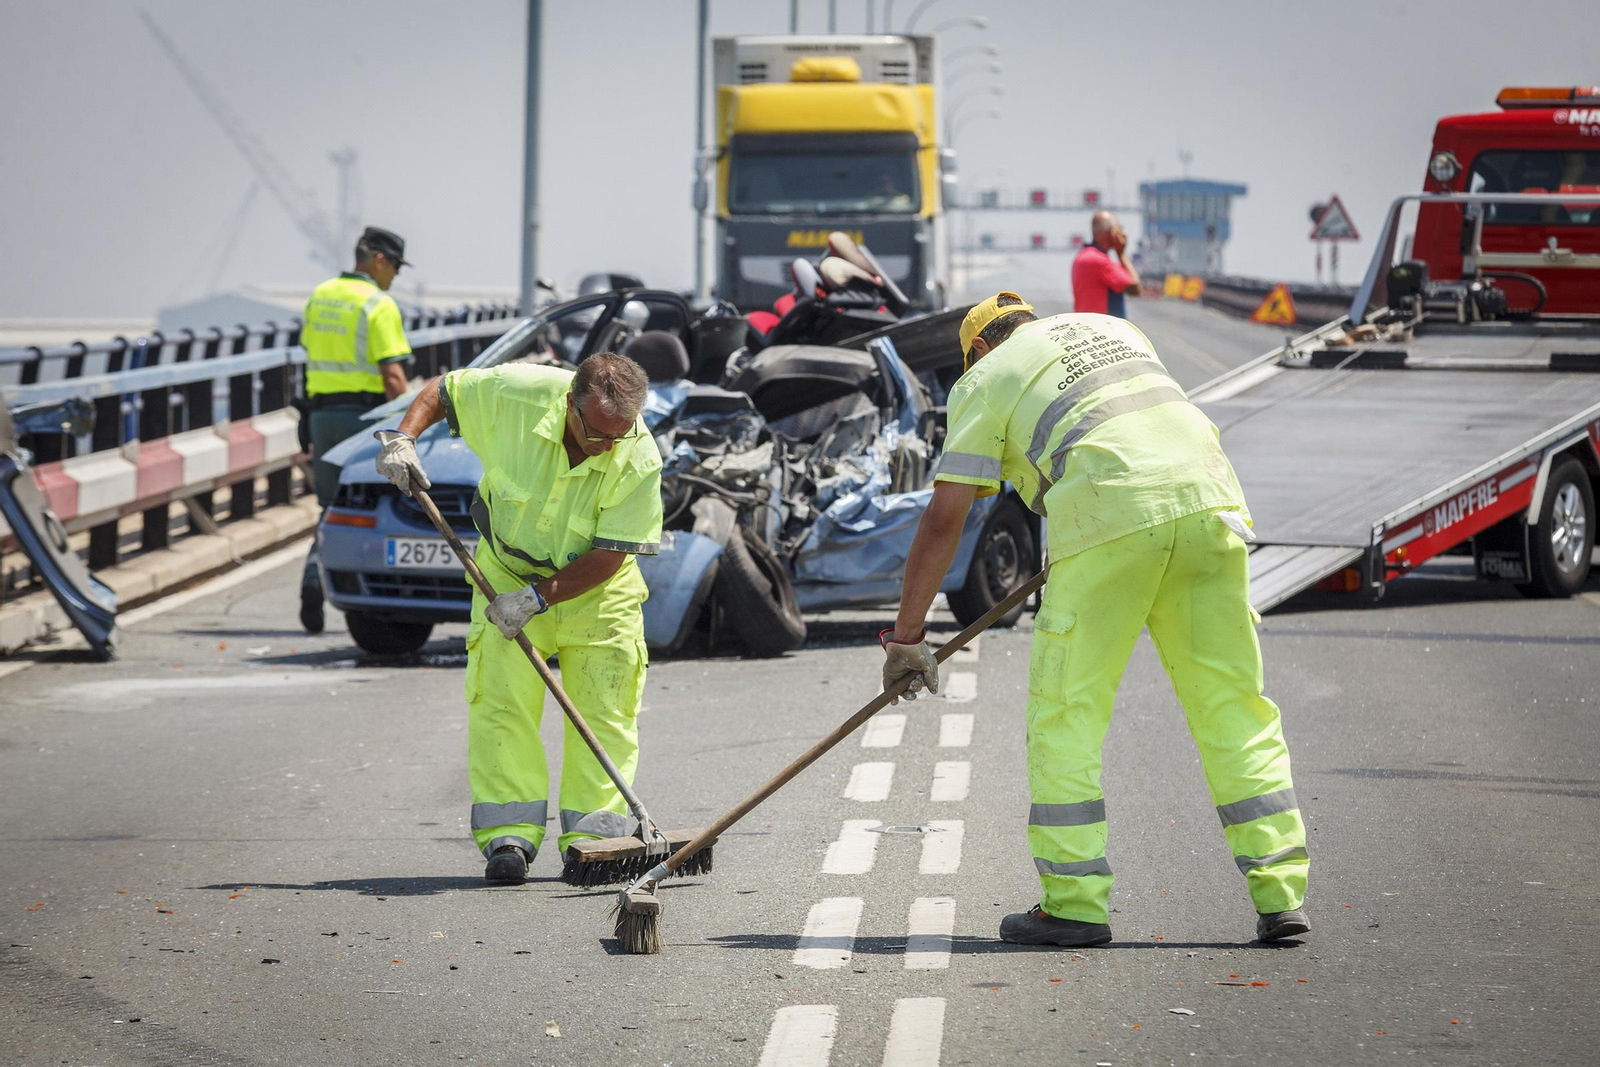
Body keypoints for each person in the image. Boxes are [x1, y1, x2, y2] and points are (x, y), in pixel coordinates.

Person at [878, 293, 1309, 946]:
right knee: (1232, 705)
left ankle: (1075, 901)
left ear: (980, 351)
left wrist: (906, 637)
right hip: (1209, 502)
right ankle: (1281, 893)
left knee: (1066, 714)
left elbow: (946, 516)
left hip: (1107, 517)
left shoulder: (983, 378)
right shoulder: (1114, 328)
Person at [373, 353, 663, 884]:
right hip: (506, 570)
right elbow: (445, 390)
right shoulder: (518, 394)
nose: (605, 446)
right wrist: (403, 438)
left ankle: (594, 837)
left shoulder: (638, 454)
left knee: (605, 711)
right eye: (596, 433)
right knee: (501, 704)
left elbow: (609, 556)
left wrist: (534, 601)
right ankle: (509, 837)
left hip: (598, 590)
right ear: (571, 404)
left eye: (616, 437)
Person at [298, 226, 413, 634]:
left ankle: (313, 577)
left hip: (321, 416)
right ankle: (343, 585)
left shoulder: (320, 295)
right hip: (362, 420)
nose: (396, 275)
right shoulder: (377, 304)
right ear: (379, 259)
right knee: (366, 506)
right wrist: (405, 428)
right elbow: (393, 376)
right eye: (395, 266)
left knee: (330, 506)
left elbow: (310, 356)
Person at [1071, 210, 1142, 318]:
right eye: (1118, 228)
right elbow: (1135, 288)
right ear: (1111, 232)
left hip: (1087, 325)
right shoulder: (1100, 261)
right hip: (1103, 328)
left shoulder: (1083, 256)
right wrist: (1121, 253)